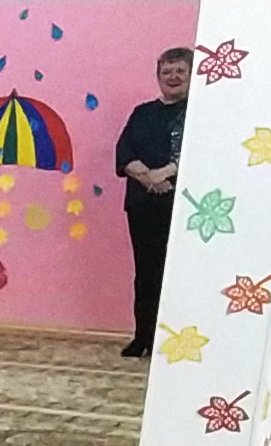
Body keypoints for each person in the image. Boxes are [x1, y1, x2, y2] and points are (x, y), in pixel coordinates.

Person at [115, 47, 192, 359]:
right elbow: (124, 152)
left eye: (180, 71)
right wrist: (148, 177)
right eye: (166, 71)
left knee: (179, 272)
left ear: (192, 75)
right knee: (146, 272)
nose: (173, 77)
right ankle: (143, 336)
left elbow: (202, 151)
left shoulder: (199, 113)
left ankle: (175, 338)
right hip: (143, 205)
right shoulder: (142, 113)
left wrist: (167, 172)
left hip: (183, 206)